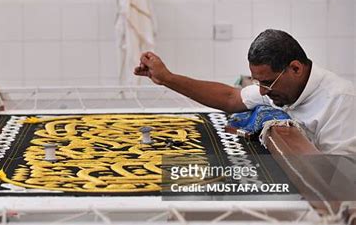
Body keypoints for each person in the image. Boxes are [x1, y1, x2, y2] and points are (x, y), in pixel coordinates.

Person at [134, 29, 355, 155]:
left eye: (266, 82)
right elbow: (231, 97)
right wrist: (167, 78)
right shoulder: (276, 88)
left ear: (295, 68)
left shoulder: (340, 102)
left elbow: (338, 180)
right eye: (258, 82)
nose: (261, 91)